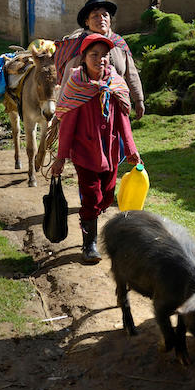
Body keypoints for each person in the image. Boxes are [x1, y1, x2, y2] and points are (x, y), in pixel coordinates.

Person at [51, 33, 141, 263]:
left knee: (107, 196)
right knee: (91, 198)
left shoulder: (115, 85)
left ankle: (90, 219)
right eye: (94, 54)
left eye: (104, 55)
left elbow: (123, 120)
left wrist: (130, 149)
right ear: (84, 57)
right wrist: (61, 158)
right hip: (84, 152)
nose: (100, 59)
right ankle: (89, 244)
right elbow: (68, 127)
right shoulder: (77, 86)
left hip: (109, 152)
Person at [53, 0, 146, 120]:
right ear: (87, 21)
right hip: (87, 109)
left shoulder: (119, 44)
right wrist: (62, 109)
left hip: (116, 106)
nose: (101, 19)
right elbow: (67, 81)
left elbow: (132, 75)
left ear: (110, 19)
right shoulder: (79, 46)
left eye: (105, 15)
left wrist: (139, 100)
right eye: (95, 16)